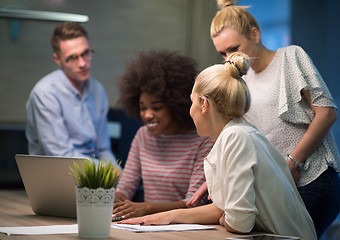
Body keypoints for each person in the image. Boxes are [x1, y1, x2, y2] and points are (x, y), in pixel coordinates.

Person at [118, 52, 317, 240]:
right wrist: (163, 217)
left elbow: (239, 222)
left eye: (192, 103)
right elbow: (220, 209)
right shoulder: (235, 134)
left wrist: (226, 217)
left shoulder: (236, 138)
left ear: (204, 104)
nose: (190, 111)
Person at [207, 0, 340, 238]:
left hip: (312, 180)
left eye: (233, 48)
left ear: (255, 34)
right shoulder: (241, 82)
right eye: (222, 53)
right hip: (278, 187)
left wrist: (292, 163)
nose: (229, 58)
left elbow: (326, 113)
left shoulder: (290, 57)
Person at [112, 50, 214, 219]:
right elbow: (127, 186)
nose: (147, 115)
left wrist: (146, 208)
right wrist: (115, 196)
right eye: (143, 107)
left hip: (185, 228)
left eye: (156, 107)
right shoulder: (142, 136)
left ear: (175, 105)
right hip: (148, 226)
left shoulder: (202, 140)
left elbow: (193, 203)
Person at [26, 22, 117, 165]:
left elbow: (103, 149)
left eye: (85, 53)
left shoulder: (98, 90)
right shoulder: (45, 94)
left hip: (93, 175)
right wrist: (105, 170)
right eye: (72, 58)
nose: (82, 63)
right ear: (58, 60)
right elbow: (61, 156)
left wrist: (117, 171)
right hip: (56, 177)